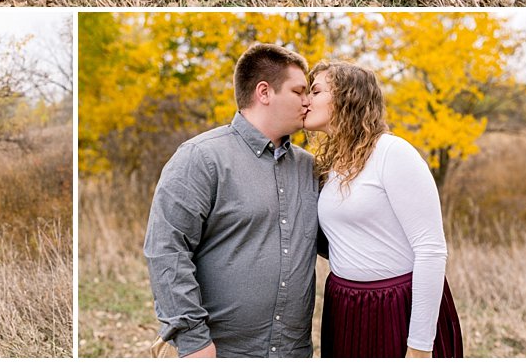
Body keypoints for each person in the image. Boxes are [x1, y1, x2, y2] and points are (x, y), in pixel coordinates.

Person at [144, 43, 318, 357]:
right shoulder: (201, 158)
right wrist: (193, 340)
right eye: (299, 91)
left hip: (294, 351)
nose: (308, 102)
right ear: (264, 92)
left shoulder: (309, 168)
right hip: (221, 352)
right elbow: (166, 249)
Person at [303, 61, 464, 358]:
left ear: (345, 96)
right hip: (344, 306)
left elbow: (430, 249)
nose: (306, 100)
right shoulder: (331, 165)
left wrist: (419, 346)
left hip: (396, 306)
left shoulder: (392, 153)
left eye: (315, 91)